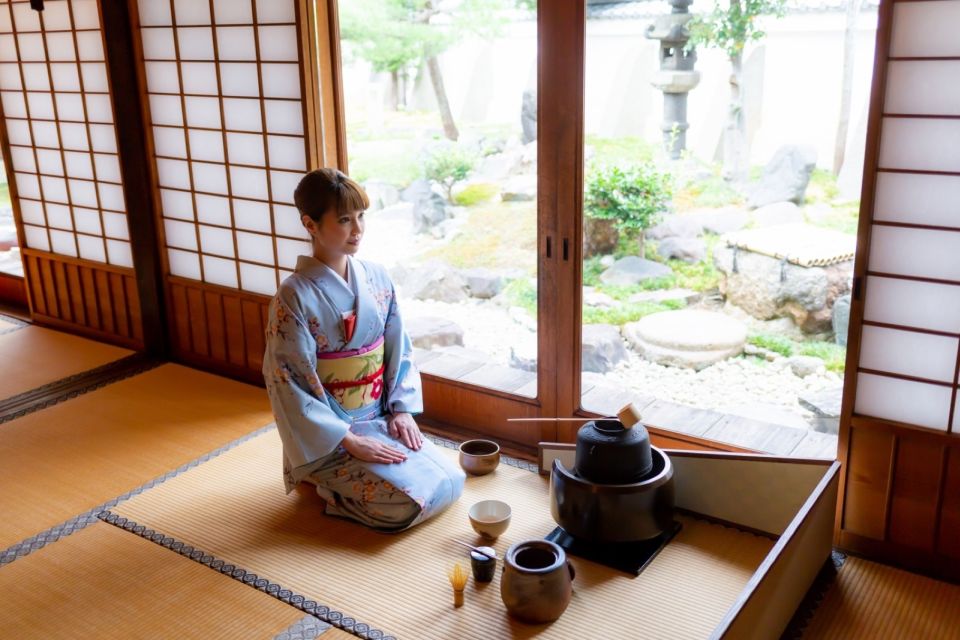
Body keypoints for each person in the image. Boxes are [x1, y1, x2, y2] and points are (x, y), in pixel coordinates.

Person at [262, 168, 465, 532]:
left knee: (450, 481)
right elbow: (287, 381)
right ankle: (323, 486)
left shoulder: (377, 277)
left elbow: (398, 348)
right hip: (329, 436)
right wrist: (349, 440)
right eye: (343, 219)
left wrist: (401, 411)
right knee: (406, 507)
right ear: (310, 224)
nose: (357, 229)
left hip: (380, 417)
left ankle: (370, 461)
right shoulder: (293, 296)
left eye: (360, 216)